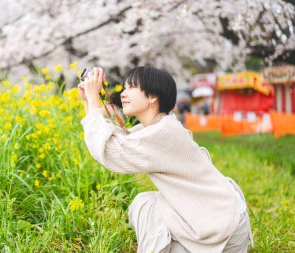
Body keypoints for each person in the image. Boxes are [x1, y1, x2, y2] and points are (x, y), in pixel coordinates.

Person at [78, 66, 253, 253]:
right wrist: (89, 100)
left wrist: (94, 100)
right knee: (148, 204)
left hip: (224, 231)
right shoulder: (162, 127)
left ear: (152, 96)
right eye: (124, 87)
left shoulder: (162, 134)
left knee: (146, 205)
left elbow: (111, 152)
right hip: (225, 222)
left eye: (131, 87)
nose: (123, 93)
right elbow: (120, 140)